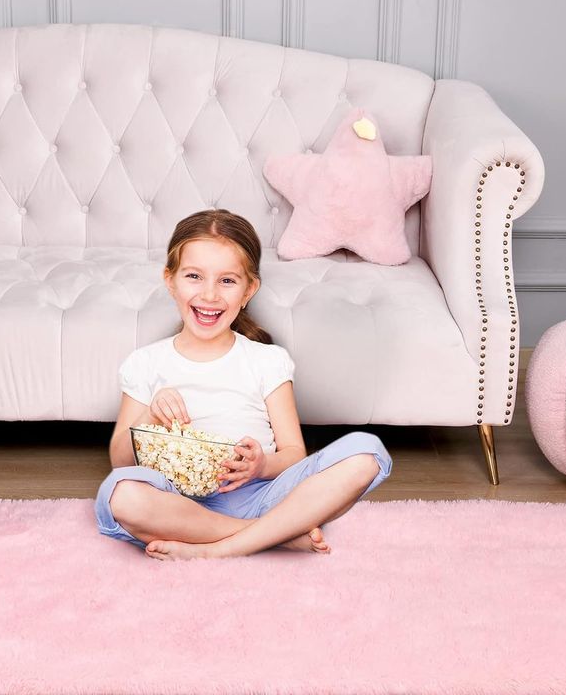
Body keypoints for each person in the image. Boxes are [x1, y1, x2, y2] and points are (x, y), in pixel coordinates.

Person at [95, 208, 392, 561]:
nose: (209, 295)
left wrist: (262, 466)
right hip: (178, 500)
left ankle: (218, 548)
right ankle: (275, 534)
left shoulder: (267, 361)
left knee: (368, 451)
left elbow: (293, 454)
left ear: (249, 289)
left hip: (261, 495)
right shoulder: (146, 363)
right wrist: (150, 417)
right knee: (120, 494)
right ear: (170, 280)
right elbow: (120, 460)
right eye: (194, 276)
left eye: (227, 281)